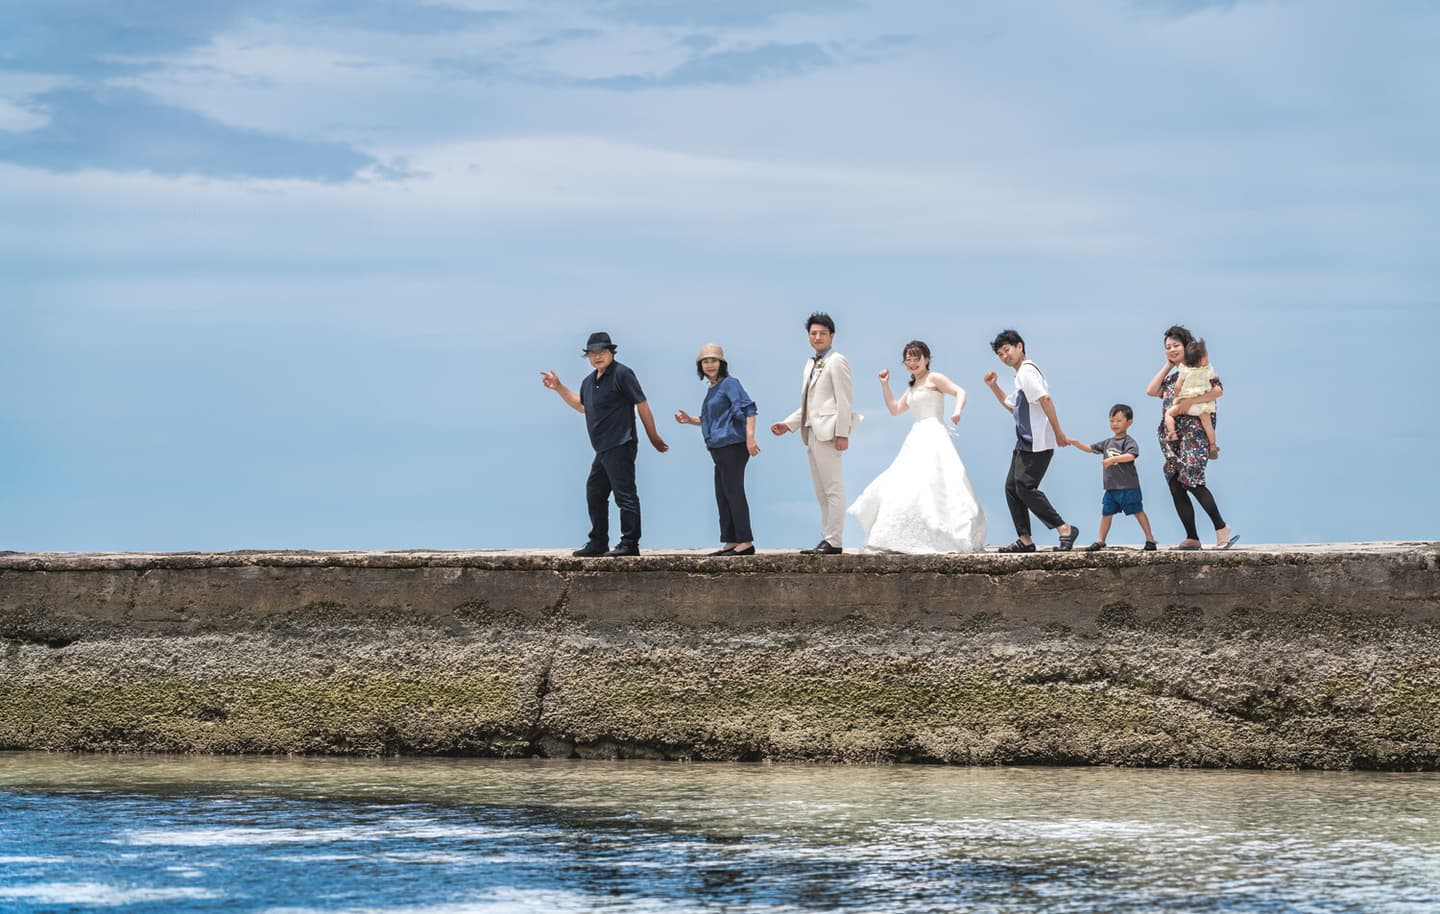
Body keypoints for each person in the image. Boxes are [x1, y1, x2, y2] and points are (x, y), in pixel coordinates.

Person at [847, 340, 986, 553]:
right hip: (916, 435)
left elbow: (960, 391)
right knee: (907, 482)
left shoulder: (934, 378)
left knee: (938, 482)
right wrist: (885, 384)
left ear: (926, 359)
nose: (912, 363)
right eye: (908, 360)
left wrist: (956, 411)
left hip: (935, 432)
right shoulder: (912, 386)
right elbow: (895, 409)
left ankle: (943, 532)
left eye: (916, 359)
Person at [540, 331, 668, 557]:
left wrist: (653, 436)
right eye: (592, 353)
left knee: (624, 494)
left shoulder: (622, 374)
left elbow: (642, 404)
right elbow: (582, 406)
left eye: (602, 352)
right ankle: (598, 542)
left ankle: (630, 543)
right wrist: (559, 387)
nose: (597, 357)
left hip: (621, 442)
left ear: (611, 352)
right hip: (602, 448)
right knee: (595, 492)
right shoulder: (588, 382)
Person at [982, 329, 1080, 553]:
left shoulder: (1027, 372)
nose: (1004, 356)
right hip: (1025, 442)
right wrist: (994, 386)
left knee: (1025, 487)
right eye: (1000, 354)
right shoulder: (1020, 376)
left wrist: (1059, 432)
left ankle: (1064, 529)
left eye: (1007, 350)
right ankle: (1025, 540)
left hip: (1038, 442)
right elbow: (1012, 407)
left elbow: (1046, 399)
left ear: (1020, 347)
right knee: (1011, 487)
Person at [771, 312, 859, 555]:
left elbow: (844, 400)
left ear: (832, 335)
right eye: (813, 333)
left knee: (833, 488)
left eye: (822, 333)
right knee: (821, 491)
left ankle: (834, 540)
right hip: (811, 432)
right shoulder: (811, 363)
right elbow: (810, 403)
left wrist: (843, 433)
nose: (817, 337)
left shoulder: (837, 360)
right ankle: (827, 538)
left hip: (829, 432)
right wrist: (789, 424)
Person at [1145, 325, 1237, 550]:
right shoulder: (1172, 377)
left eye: (1176, 346)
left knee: (1192, 478)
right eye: (1168, 347)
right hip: (1172, 438)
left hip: (1194, 434)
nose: (1172, 349)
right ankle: (1192, 537)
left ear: (1187, 346)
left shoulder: (1200, 369)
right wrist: (1169, 364)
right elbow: (1151, 390)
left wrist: (1189, 403)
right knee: (1175, 482)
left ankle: (1221, 527)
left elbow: (1218, 391)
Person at [674, 343, 760, 556]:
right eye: (705, 361)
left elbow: (749, 409)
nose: (710, 365)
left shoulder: (730, 383)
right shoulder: (713, 389)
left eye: (713, 360)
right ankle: (731, 540)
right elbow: (712, 420)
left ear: (722, 363)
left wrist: (750, 439)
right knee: (722, 493)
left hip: (733, 446)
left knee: (734, 491)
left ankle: (745, 541)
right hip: (718, 448)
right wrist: (689, 420)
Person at [1066, 403, 1157, 551]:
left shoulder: (1129, 441)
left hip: (1129, 487)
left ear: (1129, 422)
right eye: (1112, 420)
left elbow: (1131, 456)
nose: (1114, 424)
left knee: (1138, 512)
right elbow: (1090, 448)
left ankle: (1150, 539)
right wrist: (1075, 442)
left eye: (1119, 420)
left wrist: (1112, 459)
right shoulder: (1107, 442)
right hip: (1111, 488)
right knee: (1106, 514)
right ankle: (1100, 540)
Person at [1164, 338, 1220, 459]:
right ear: (1201, 359)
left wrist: (1176, 396)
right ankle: (1213, 445)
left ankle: (1172, 433)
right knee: (1207, 423)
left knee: (1169, 414)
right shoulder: (1207, 369)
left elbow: (1178, 386)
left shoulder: (1184, 370)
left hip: (1185, 402)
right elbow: (1215, 377)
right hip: (1201, 403)